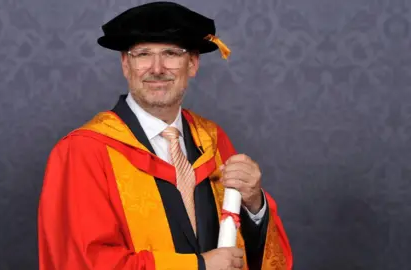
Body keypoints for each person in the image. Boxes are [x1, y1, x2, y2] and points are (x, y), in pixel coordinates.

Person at [37, 2, 293, 269]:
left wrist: (254, 203)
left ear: (192, 64)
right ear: (126, 64)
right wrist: (199, 266)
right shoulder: (84, 151)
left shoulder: (212, 140)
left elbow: (246, 252)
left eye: (171, 53)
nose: (157, 68)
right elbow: (83, 261)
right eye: (143, 54)